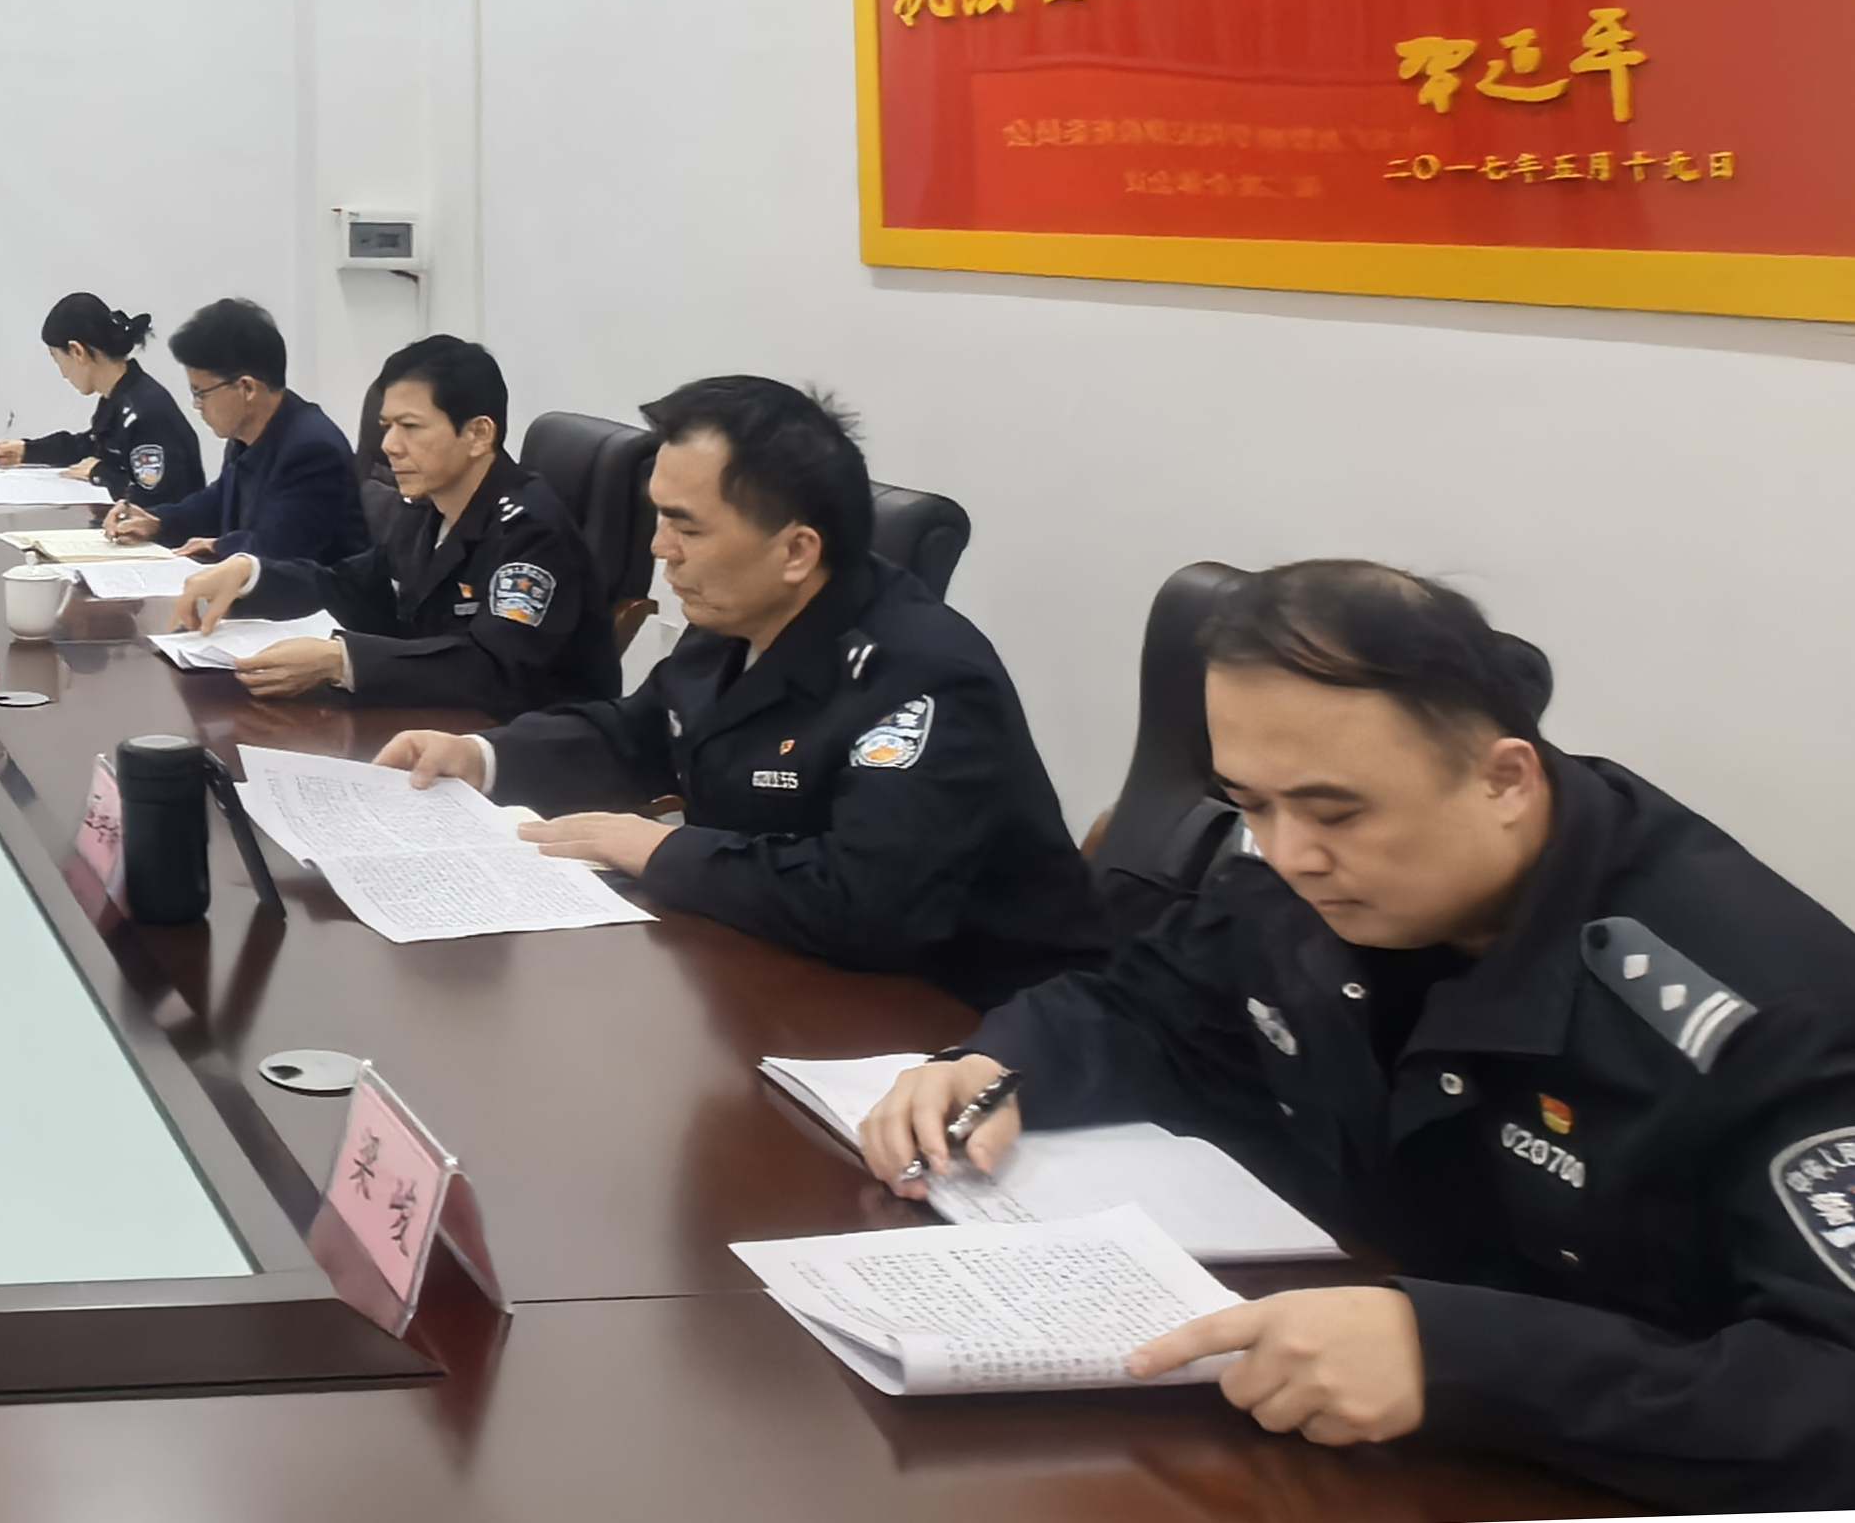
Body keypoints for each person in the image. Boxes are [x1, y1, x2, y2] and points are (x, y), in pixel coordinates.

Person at [859, 563, 1855, 1512]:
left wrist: (1454, 1356)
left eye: (1335, 812)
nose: (1290, 854)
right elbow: (1152, 1003)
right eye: (1251, 805)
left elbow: (1830, 1393)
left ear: (1505, 779)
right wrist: (999, 1063)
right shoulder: (1312, 881)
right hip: (1337, 1435)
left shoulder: (1769, 1016)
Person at [374, 375, 1103, 1007]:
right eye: (659, 516)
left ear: (796, 551)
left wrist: (664, 851)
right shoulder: (736, 618)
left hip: (958, 1025)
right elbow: (639, 734)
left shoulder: (927, 677)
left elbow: (865, 904)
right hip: (770, 972)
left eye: (686, 527)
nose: (659, 549)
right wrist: (482, 756)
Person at [169, 335, 608, 718]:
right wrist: (251, 573)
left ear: (478, 434)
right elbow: (351, 587)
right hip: (431, 723)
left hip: (523, 749)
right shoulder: (427, 507)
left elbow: (493, 670)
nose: (389, 446)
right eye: (387, 427)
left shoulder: (531, 533)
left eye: (410, 427)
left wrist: (342, 661)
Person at [103, 297, 360, 573]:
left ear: (247, 389)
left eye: (201, 392)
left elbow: (277, 549)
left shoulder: (312, 450)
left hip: (313, 598)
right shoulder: (249, 433)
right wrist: (158, 521)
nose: (196, 405)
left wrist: (219, 546)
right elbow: (218, 500)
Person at [0, 292, 204, 510]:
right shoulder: (118, 396)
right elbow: (91, 447)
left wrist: (100, 473)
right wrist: (28, 450)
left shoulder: (143, 412)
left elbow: (154, 495)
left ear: (76, 351)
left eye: (57, 359)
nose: (63, 374)